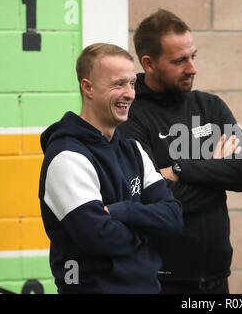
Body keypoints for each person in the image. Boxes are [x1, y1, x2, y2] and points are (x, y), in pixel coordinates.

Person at [118, 9, 242, 294]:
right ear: (149, 63)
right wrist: (216, 173)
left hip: (216, 278)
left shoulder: (210, 107)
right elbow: (149, 202)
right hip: (160, 281)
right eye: (179, 60)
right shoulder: (130, 116)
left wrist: (180, 169)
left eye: (193, 56)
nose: (192, 67)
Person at [38, 43, 183, 293]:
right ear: (88, 87)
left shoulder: (134, 151)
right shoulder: (67, 156)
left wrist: (122, 211)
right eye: (118, 84)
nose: (129, 93)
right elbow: (99, 237)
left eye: (132, 83)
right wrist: (150, 237)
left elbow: (173, 218)